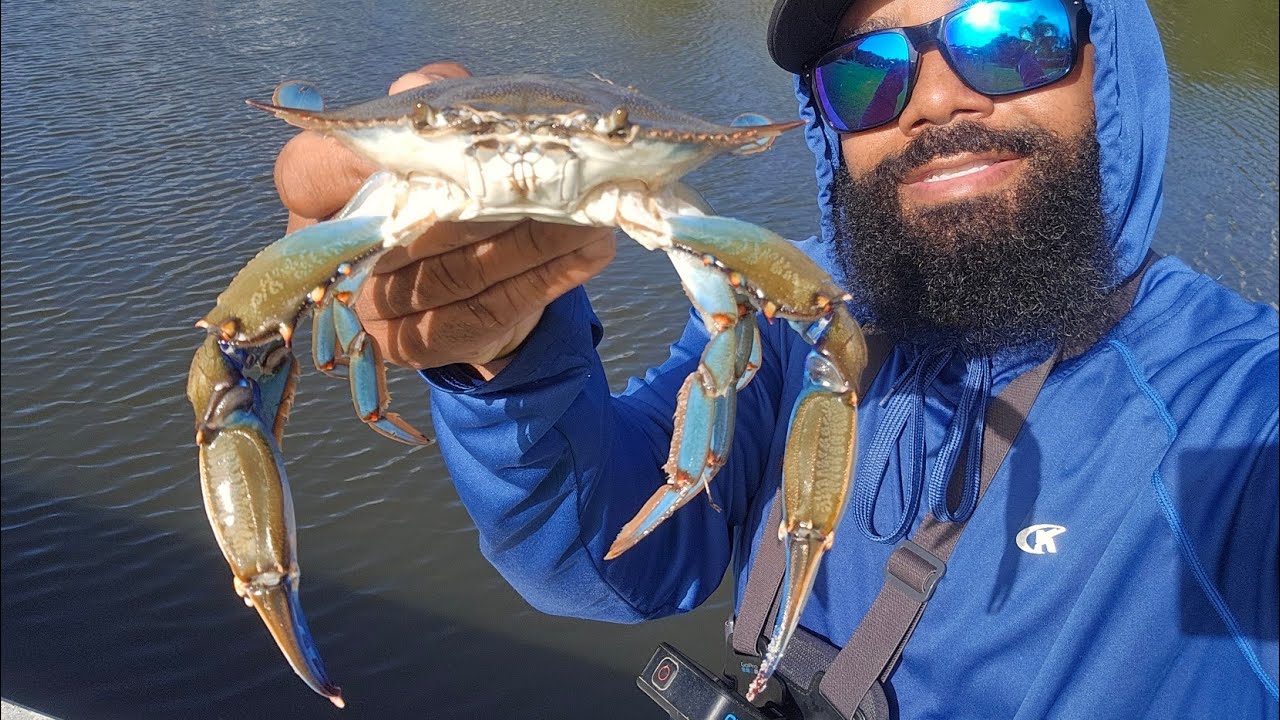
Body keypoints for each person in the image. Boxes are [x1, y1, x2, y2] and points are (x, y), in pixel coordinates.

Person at [273, 0, 1279, 716]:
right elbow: (603, 565)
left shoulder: (1233, 410)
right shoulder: (789, 307)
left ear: (1114, 64)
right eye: (865, 72)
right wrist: (507, 355)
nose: (929, 102)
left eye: (1007, 37)